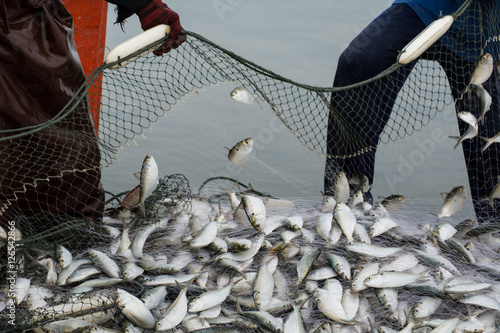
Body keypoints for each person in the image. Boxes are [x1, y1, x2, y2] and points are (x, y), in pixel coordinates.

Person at [0, 0, 184, 229]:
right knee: (63, 149)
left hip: (19, 24)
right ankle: (61, 234)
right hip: (20, 27)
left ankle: (20, 241)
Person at [324, 0, 500, 223]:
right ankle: (347, 206)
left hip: (485, 27)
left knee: (491, 136)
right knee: (359, 63)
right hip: (424, 7)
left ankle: (494, 232)